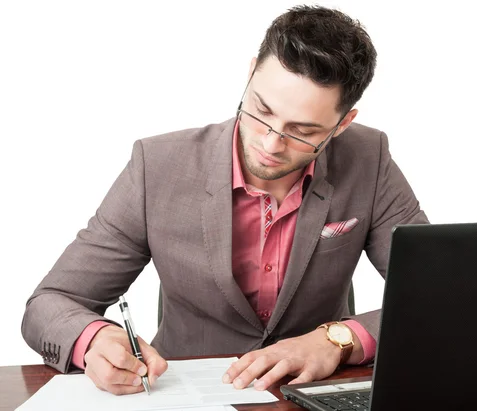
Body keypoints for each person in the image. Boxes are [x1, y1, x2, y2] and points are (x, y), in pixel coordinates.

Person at [21, 4, 428, 396]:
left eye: (302, 130)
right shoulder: (158, 167)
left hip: (310, 396)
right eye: (261, 110)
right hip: (185, 395)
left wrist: (338, 340)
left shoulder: (368, 158)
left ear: (342, 124)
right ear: (250, 73)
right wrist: (94, 339)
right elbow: (52, 302)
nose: (271, 143)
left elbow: (438, 297)